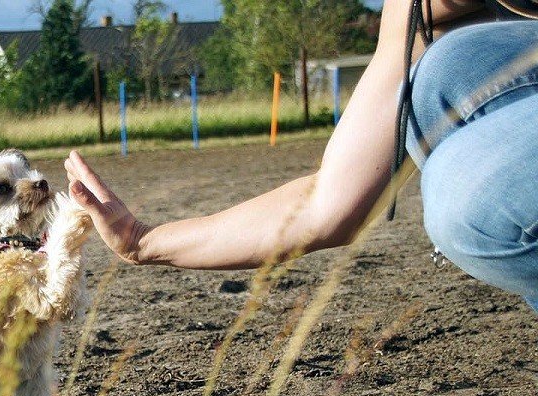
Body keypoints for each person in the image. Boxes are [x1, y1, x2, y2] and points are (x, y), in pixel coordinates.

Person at [64, 0, 538, 311]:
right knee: (459, 164)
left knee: (475, 204)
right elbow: (326, 204)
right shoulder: (417, 14)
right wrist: (141, 240)